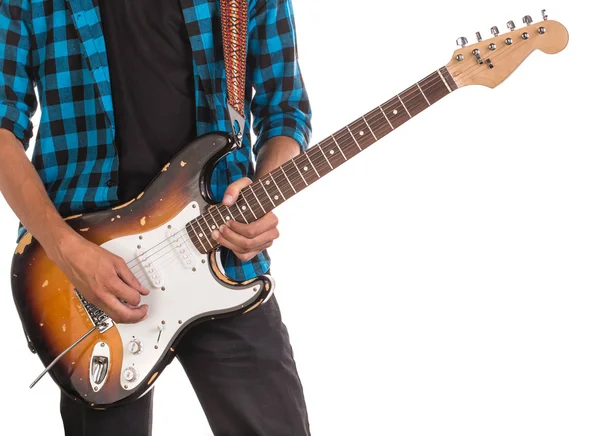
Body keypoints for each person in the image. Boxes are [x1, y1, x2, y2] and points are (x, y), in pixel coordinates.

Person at [0, 0, 312, 434]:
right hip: (90, 276)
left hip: (220, 254)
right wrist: (68, 251)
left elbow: (285, 109)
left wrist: (263, 190)